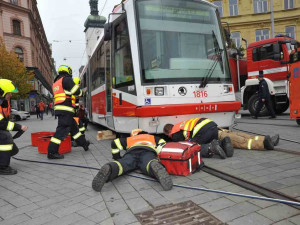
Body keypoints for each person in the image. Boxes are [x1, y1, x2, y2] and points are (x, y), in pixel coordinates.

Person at [92, 129, 173, 192]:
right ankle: (155, 166)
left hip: (132, 152)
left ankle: (111, 167)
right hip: (147, 151)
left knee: (122, 165)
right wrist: (157, 153)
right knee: (148, 164)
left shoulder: (131, 138)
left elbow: (114, 142)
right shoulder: (152, 137)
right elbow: (163, 143)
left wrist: (117, 157)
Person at [48, 65, 90, 159]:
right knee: (61, 131)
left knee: (75, 130)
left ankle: (84, 144)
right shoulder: (66, 79)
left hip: (62, 110)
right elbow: (76, 91)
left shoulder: (56, 83)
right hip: (65, 110)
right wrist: (83, 92)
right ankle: (52, 152)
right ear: (68, 71)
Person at [163, 118, 233, 159]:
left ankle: (210, 148)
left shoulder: (175, 133)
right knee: (210, 141)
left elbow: (181, 147)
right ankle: (224, 142)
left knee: (193, 147)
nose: (169, 137)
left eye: (167, 135)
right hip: (212, 126)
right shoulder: (180, 125)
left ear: (169, 131)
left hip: (202, 130)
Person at [0, 79, 28, 175]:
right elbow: (2, 124)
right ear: (2, 92)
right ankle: (2, 167)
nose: (11, 95)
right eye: (9, 93)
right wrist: (19, 127)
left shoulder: (4, 103)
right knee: (5, 138)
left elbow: (4, 121)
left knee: (13, 150)